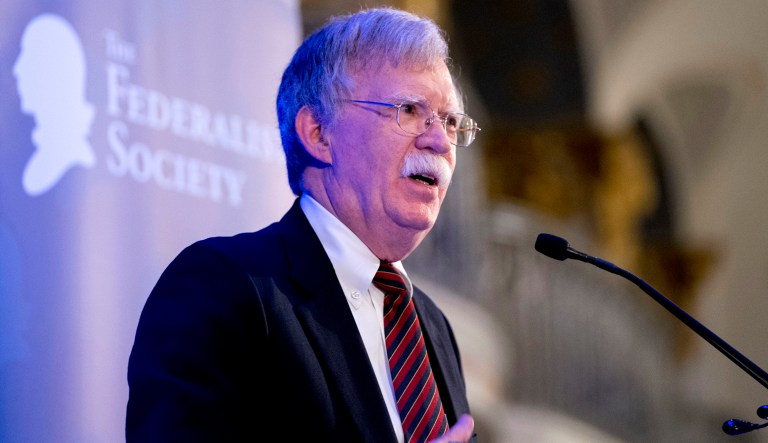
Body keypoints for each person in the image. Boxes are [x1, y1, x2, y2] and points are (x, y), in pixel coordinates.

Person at [126, 7, 480, 443]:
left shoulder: (432, 326)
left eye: (450, 122)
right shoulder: (223, 285)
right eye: (409, 110)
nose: (440, 142)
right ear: (318, 133)